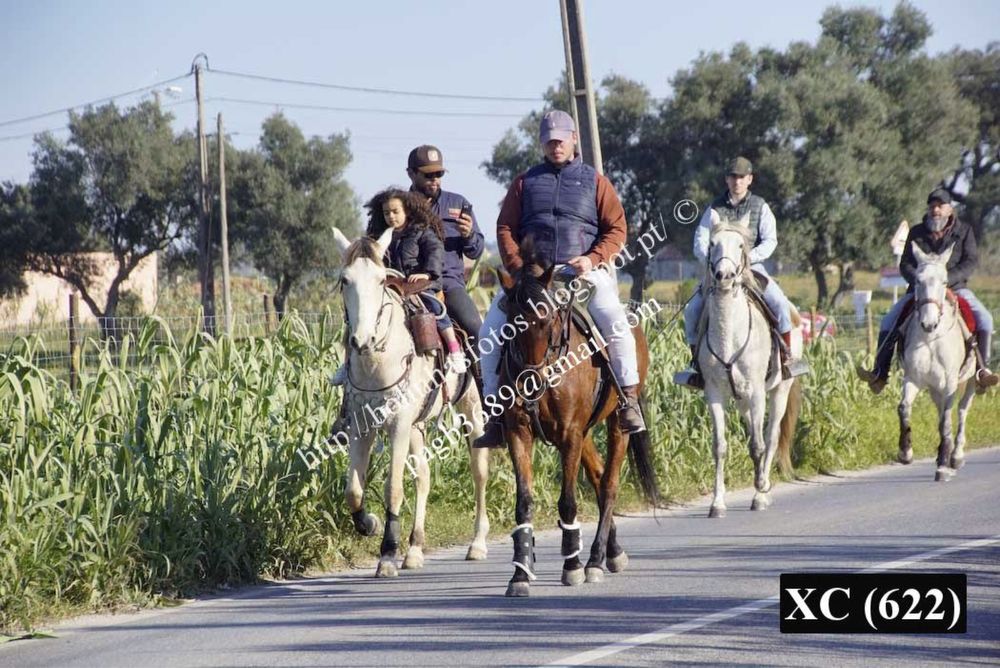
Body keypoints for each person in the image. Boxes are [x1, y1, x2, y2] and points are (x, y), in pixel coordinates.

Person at [472, 109, 646, 449]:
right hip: (534, 279)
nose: (556, 147)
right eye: (549, 142)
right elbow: (505, 227)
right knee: (490, 331)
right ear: (541, 144)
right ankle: (495, 416)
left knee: (616, 323)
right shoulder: (524, 182)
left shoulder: (596, 181)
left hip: (581, 273)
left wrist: (592, 259)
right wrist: (518, 265)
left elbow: (617, 229)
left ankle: (628, 402)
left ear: (573, 140)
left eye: (561, 141)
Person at [674, 157, 809, 389]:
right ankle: (696, 364)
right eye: (733, 176)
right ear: (727, 179)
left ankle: (787, 358)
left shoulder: (760, 206)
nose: (737, 181)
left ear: (750, 179)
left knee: (778, 302)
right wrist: (711, 260)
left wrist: (748, 258)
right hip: (720, 270)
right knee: (693, 309)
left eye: (742, 177)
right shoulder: (714, 208)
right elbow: (701, 239)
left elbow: (770, 240)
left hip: (751, 267)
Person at [857, 188, 999, 394]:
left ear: (950, 209)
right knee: (889, 320)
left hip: (956, 288)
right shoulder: (916, 232)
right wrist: (920, 281)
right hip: (921, 291)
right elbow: (905, 263)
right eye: (932, 206)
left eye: (940, 206)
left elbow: (970, 261)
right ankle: (880, 372)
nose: (935, 210)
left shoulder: (965, 231)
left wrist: (947, 280)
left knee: (985, 319)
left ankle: (982, 372)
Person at [331, 188, 466, 385]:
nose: (391, 216)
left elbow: (436, 252)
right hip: (393, 286)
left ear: (407, 211)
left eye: (395, 211)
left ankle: (454, 351)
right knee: (355, 319)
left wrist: (427, 273)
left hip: (419, 284)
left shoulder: (422, 232)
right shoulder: (378, 238)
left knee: (435, 308)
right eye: (387, 213)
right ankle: (348, 365)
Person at [406, 145, 486, 357]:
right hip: (408, 283)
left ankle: (484, 385)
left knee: (478, 330)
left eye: (439, 174)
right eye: (428, 174)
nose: (435, 179)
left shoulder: (458, 203)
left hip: (449, 283)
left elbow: (476, 251)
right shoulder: (398, 207)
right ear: (411, 174)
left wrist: (468, 234)